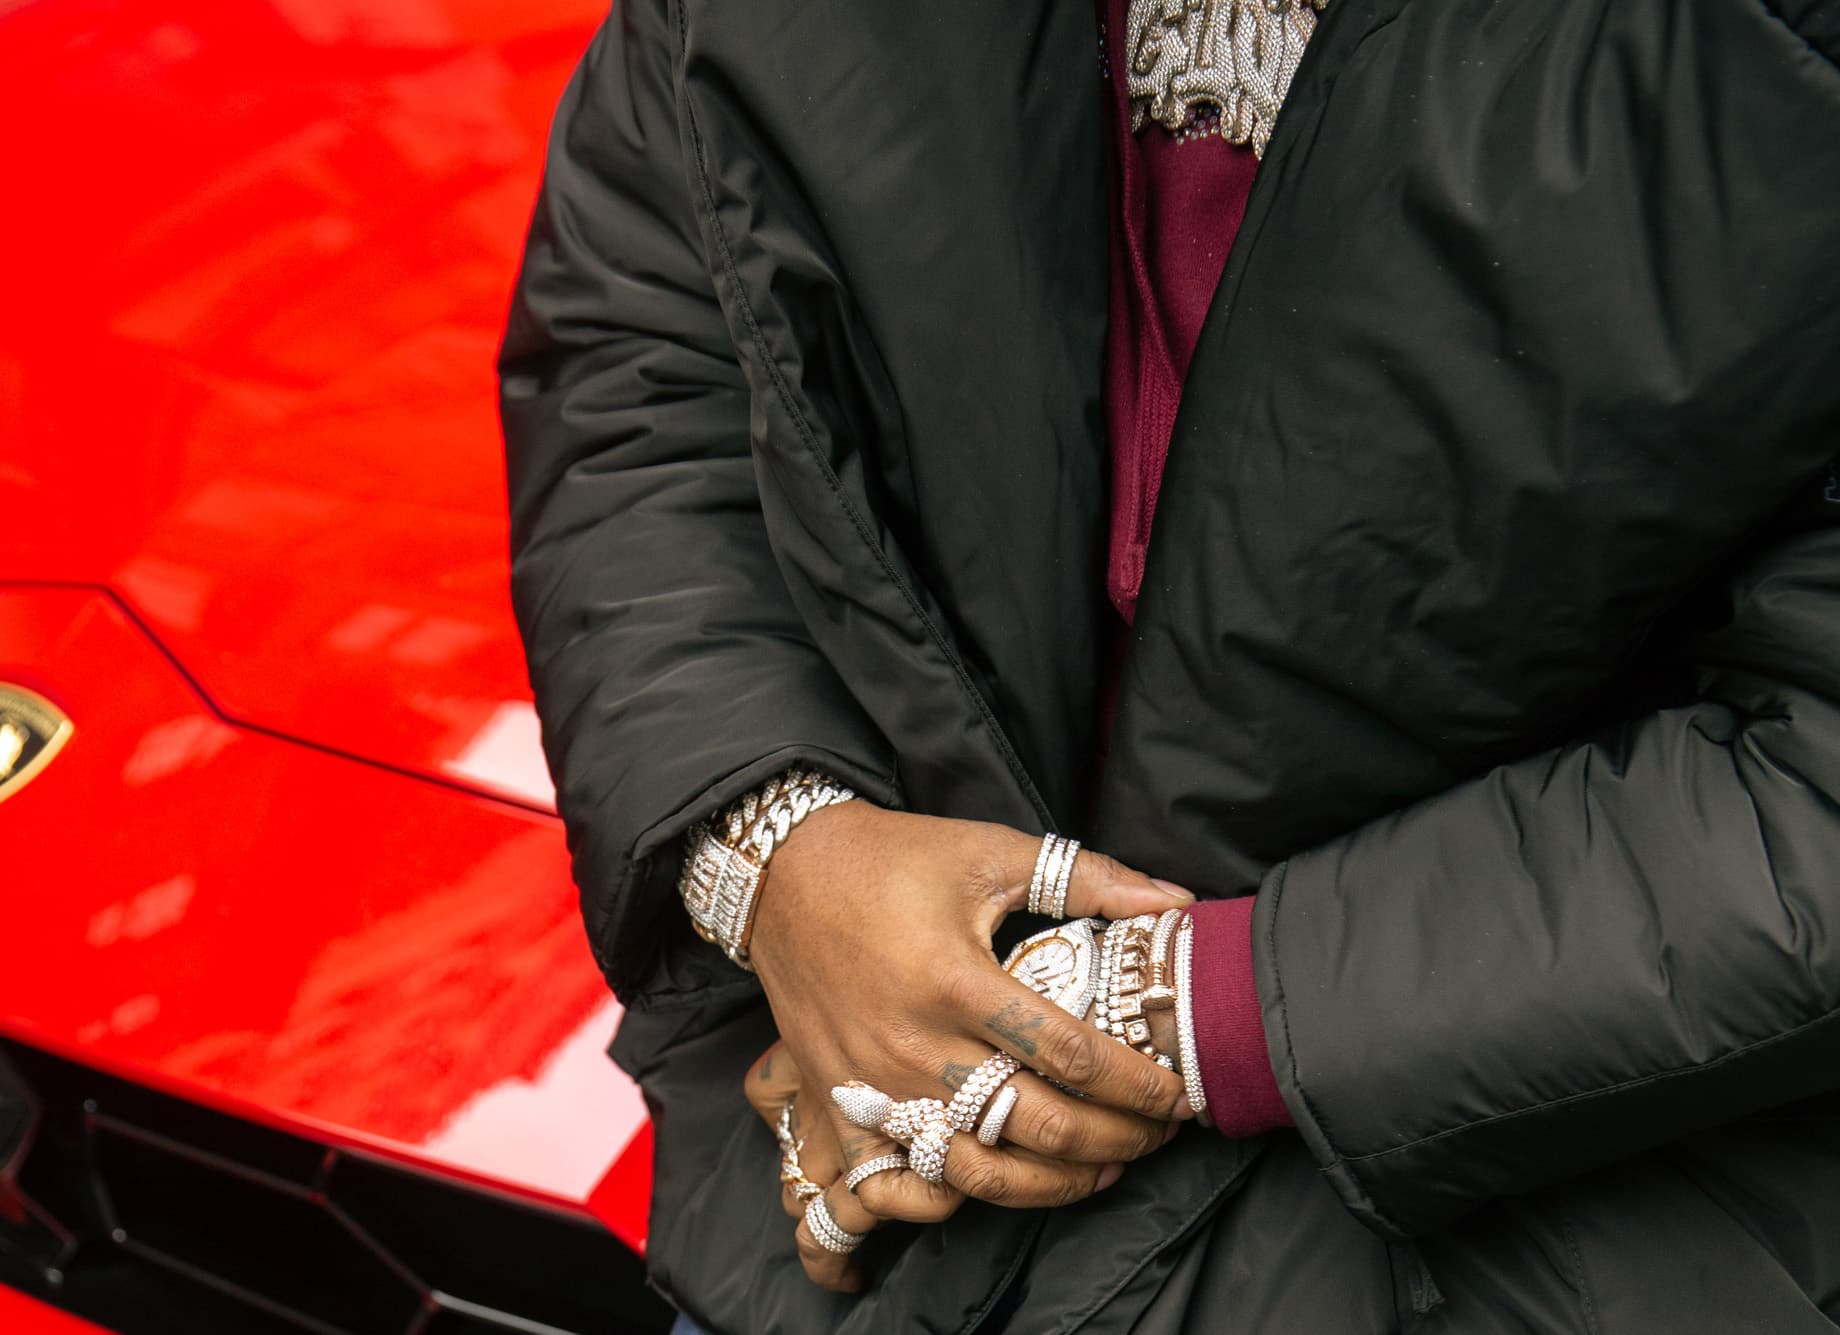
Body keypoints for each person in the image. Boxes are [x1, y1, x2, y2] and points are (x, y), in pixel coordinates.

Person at [497, 0, 1840, 1328]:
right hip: (862, 1187)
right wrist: (782, 853)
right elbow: (648, 337)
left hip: (1531, 1233)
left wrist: (1173, 1008)